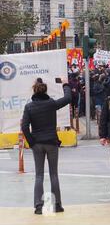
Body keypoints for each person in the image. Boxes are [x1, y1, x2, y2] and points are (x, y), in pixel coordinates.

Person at [21, 77, 72, 215]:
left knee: (39, 175)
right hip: (51, 142)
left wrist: (31, 142)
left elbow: (24, 127)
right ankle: (57, 204)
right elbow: (68, 98)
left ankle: (38, 205)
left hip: (37, 143)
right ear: (45, 90)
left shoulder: (29, 107)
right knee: (54, 174)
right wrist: (65, 84)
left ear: (34, 91)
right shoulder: (51, 104)